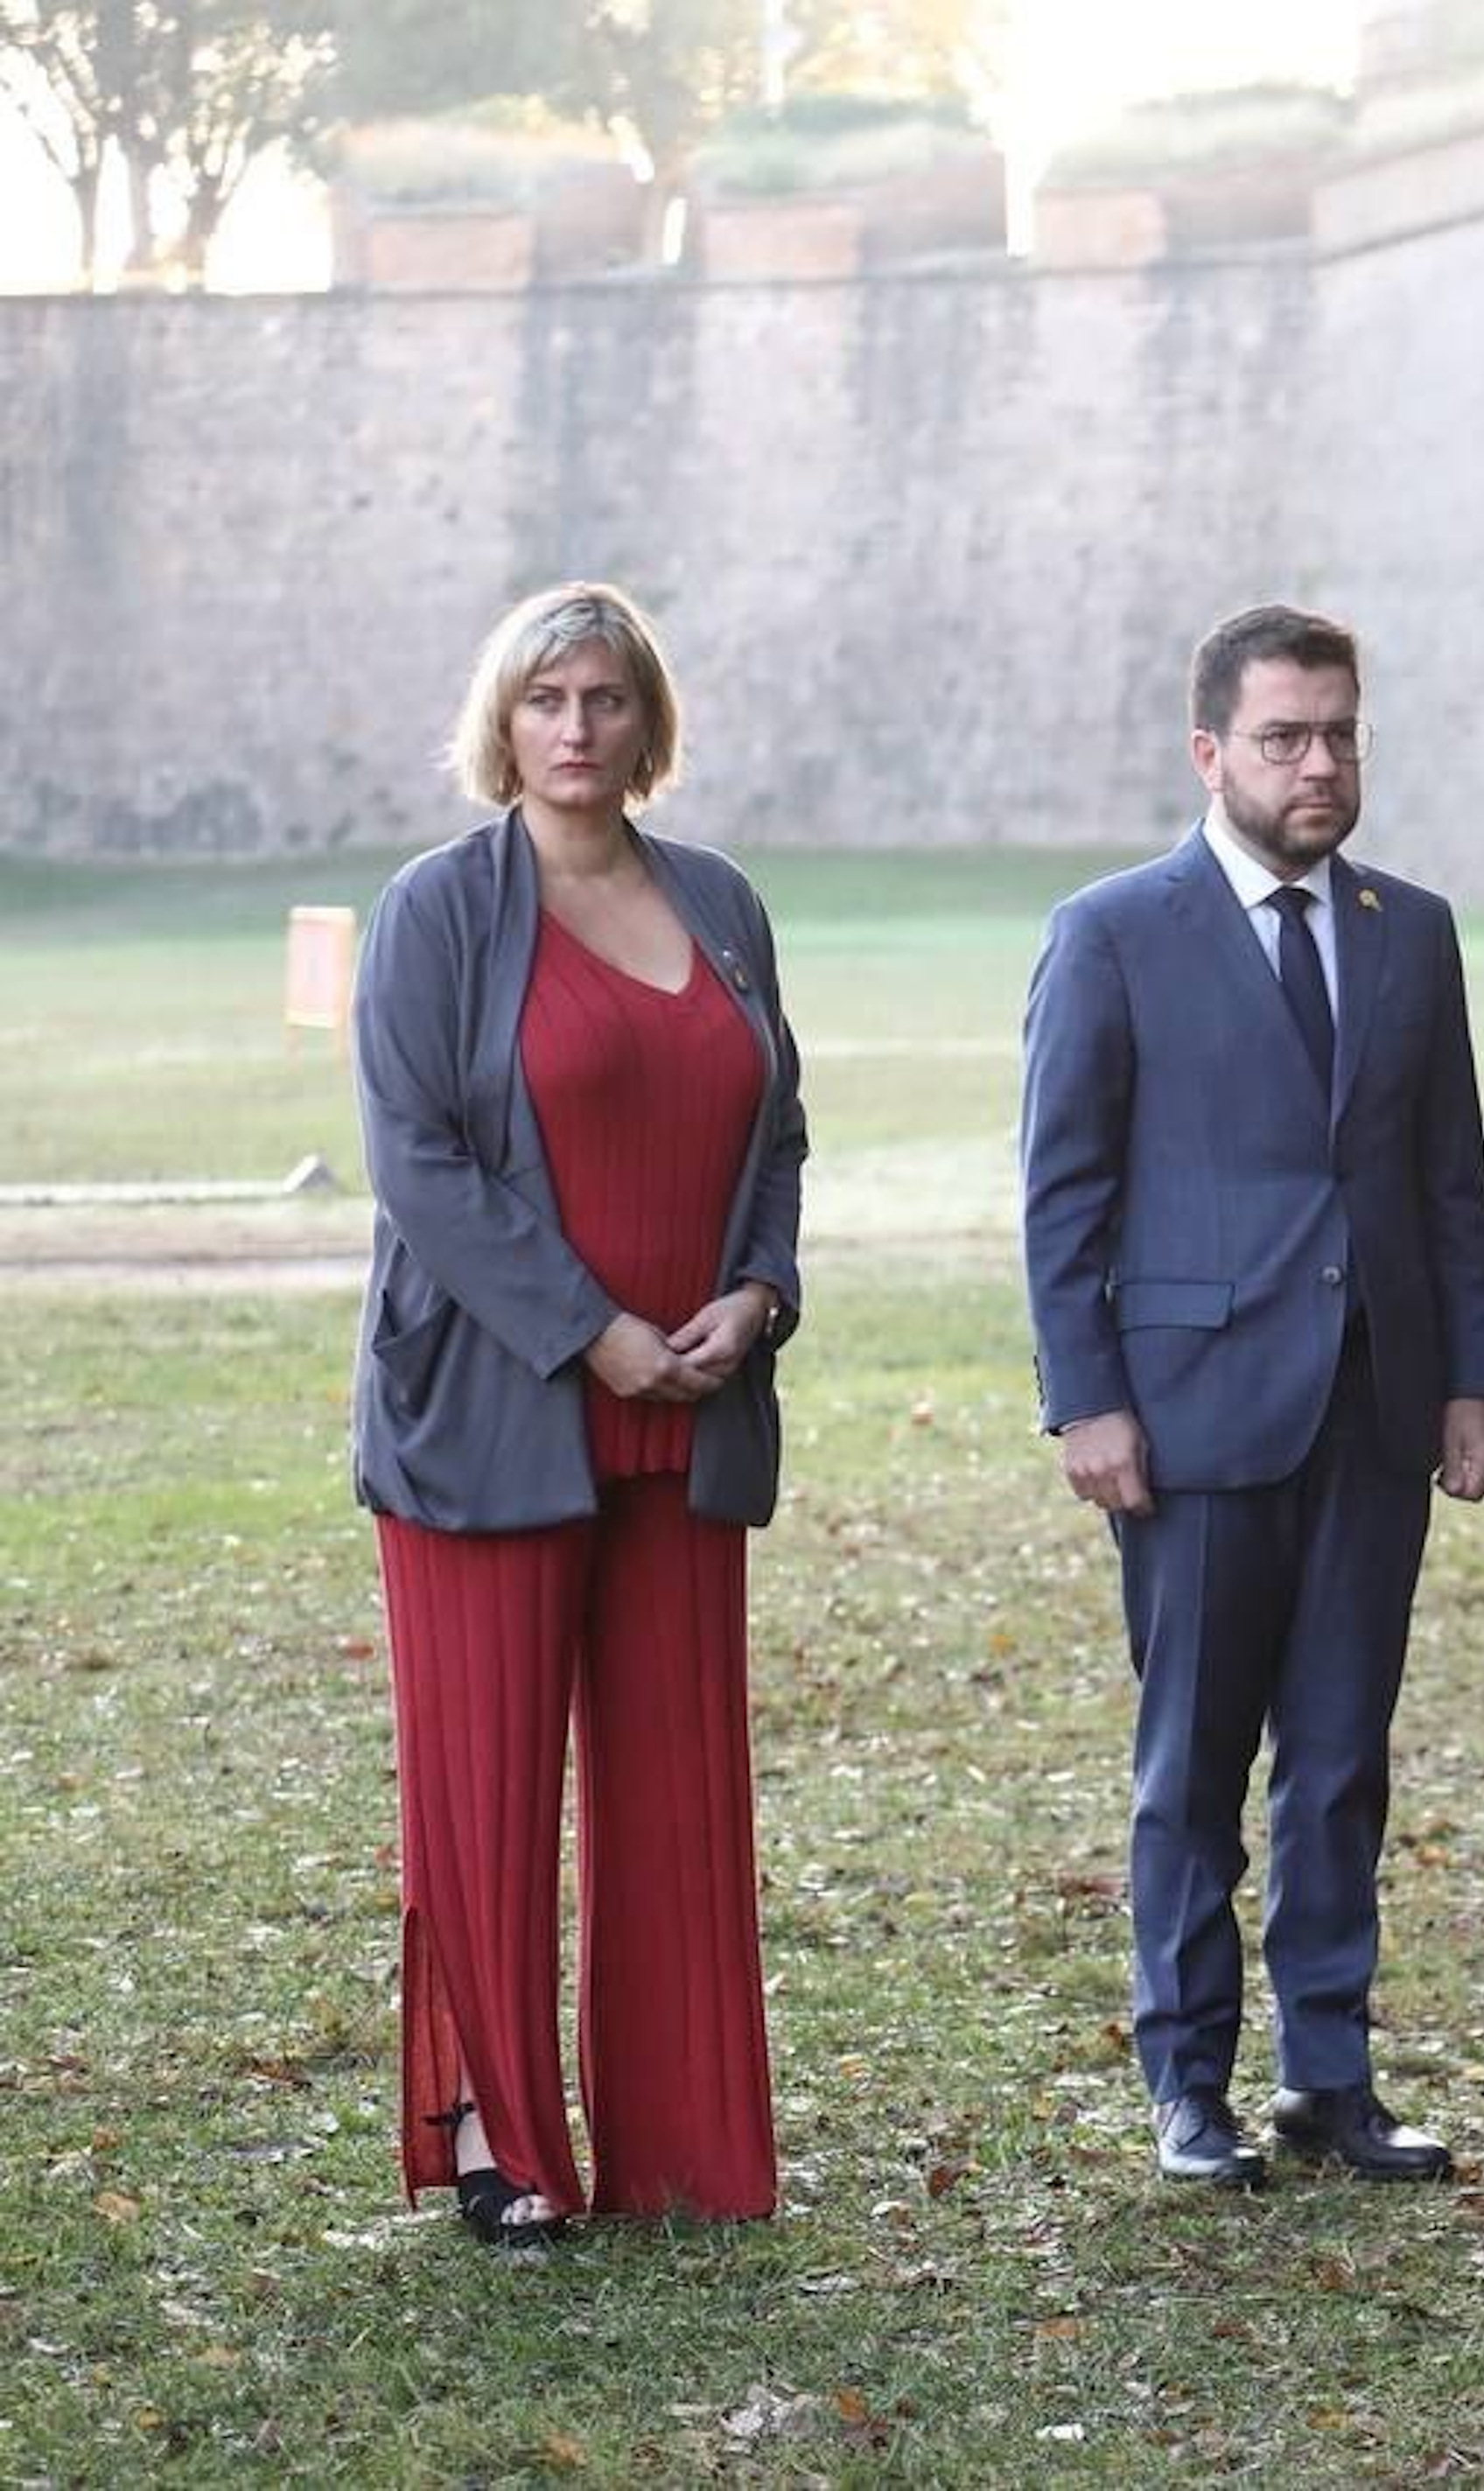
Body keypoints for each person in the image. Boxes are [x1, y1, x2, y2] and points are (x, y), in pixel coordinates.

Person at [1020, 603, 1484, 2191]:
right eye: (1288, 736)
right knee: (1193, 1768)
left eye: (1342, 733)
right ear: (1210, 753)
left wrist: (1472, 1381)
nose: (1321, 763)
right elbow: (1062, 1196)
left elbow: (1450, 1178)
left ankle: (1331, 2073)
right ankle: (1187, 2083)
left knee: (1342, 1758)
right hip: (1189, 1421)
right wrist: (1086, 1402)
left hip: (1376, 1412)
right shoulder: (1113, 933)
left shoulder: (1409, 928)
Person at [350, 580, 807, 2250]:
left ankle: (683, 2149)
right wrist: (592, 1333)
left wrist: (756, 1297)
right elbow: (421, 1166)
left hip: (694, 1408)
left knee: (675, 1786)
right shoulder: (439, 911)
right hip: (492, 1412)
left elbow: (780, 1133)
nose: (577, 730)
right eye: (547, 700)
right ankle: (502, 2141)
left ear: (646, 723)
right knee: (483, 1778)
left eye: (607, 700)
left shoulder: (726, 903)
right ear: (504, 721)